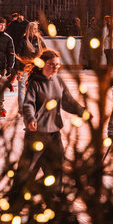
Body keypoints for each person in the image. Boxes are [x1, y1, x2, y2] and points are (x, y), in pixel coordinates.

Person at [13, 49, 85, 194]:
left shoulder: (58, 81)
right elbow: (28, 104)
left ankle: (54, 198)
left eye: (57, 65)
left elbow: (67, 100)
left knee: (56, 166)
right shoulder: (35, 83)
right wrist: (30, 119)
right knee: (28, 168)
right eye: (51, 64)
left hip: (54, 133)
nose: (55, 68)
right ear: (42, 64)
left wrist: (82, 110)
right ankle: (17, 198)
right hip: (36, 133)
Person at [15, 21, 46, 110]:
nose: (34, 31)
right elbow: (18, 55)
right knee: (21, 88)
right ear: (28, 30)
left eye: (35, 29)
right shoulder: (23, 41)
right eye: (32, 29)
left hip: (36, 69)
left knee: (36, 88)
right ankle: (21, 109)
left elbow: (45, 53)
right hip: (24, 68)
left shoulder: (40, 41)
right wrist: (18, 69)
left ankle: (36, 107)